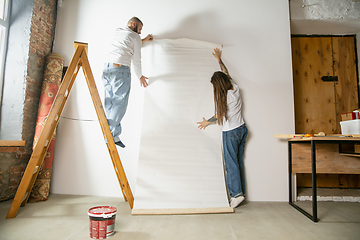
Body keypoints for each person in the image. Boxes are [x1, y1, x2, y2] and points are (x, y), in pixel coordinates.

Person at [197, 48, 248, 208]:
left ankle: (236, 195)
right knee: (238, 162)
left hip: (231, 132)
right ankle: (241, 193)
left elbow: (219, 116)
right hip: (242, 129)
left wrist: (207, 122)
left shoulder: (225, 97)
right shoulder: (234, 87)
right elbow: (225, 72)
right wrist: (219, 60)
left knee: (230, 164)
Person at [102, 17, 153, 148]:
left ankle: (112, 134)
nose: (140, 32)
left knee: (110, 103)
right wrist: (140, 76)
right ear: (134, 24)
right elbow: (136, 60)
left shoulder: (118, 31)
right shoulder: (135, 36)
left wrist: (143, 41)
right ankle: (110, 135)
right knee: (120, 103)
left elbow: (127, 44)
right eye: (140, 29)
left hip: (107, 70)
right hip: (121, 70)